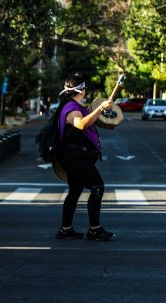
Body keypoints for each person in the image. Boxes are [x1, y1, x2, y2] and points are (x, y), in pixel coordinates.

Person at [55, 73, 115, 241]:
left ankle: (65, 229)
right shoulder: (70, 108)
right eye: (84, 88)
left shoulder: (74, 106)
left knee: (75, 191)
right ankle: (94, 229)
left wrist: (103, 108)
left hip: (75, 156)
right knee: (97, 187)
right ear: (80, 90)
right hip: (75, 157)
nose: (85, 91)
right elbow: (80, 124)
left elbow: (89, 118)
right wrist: (99, 108)